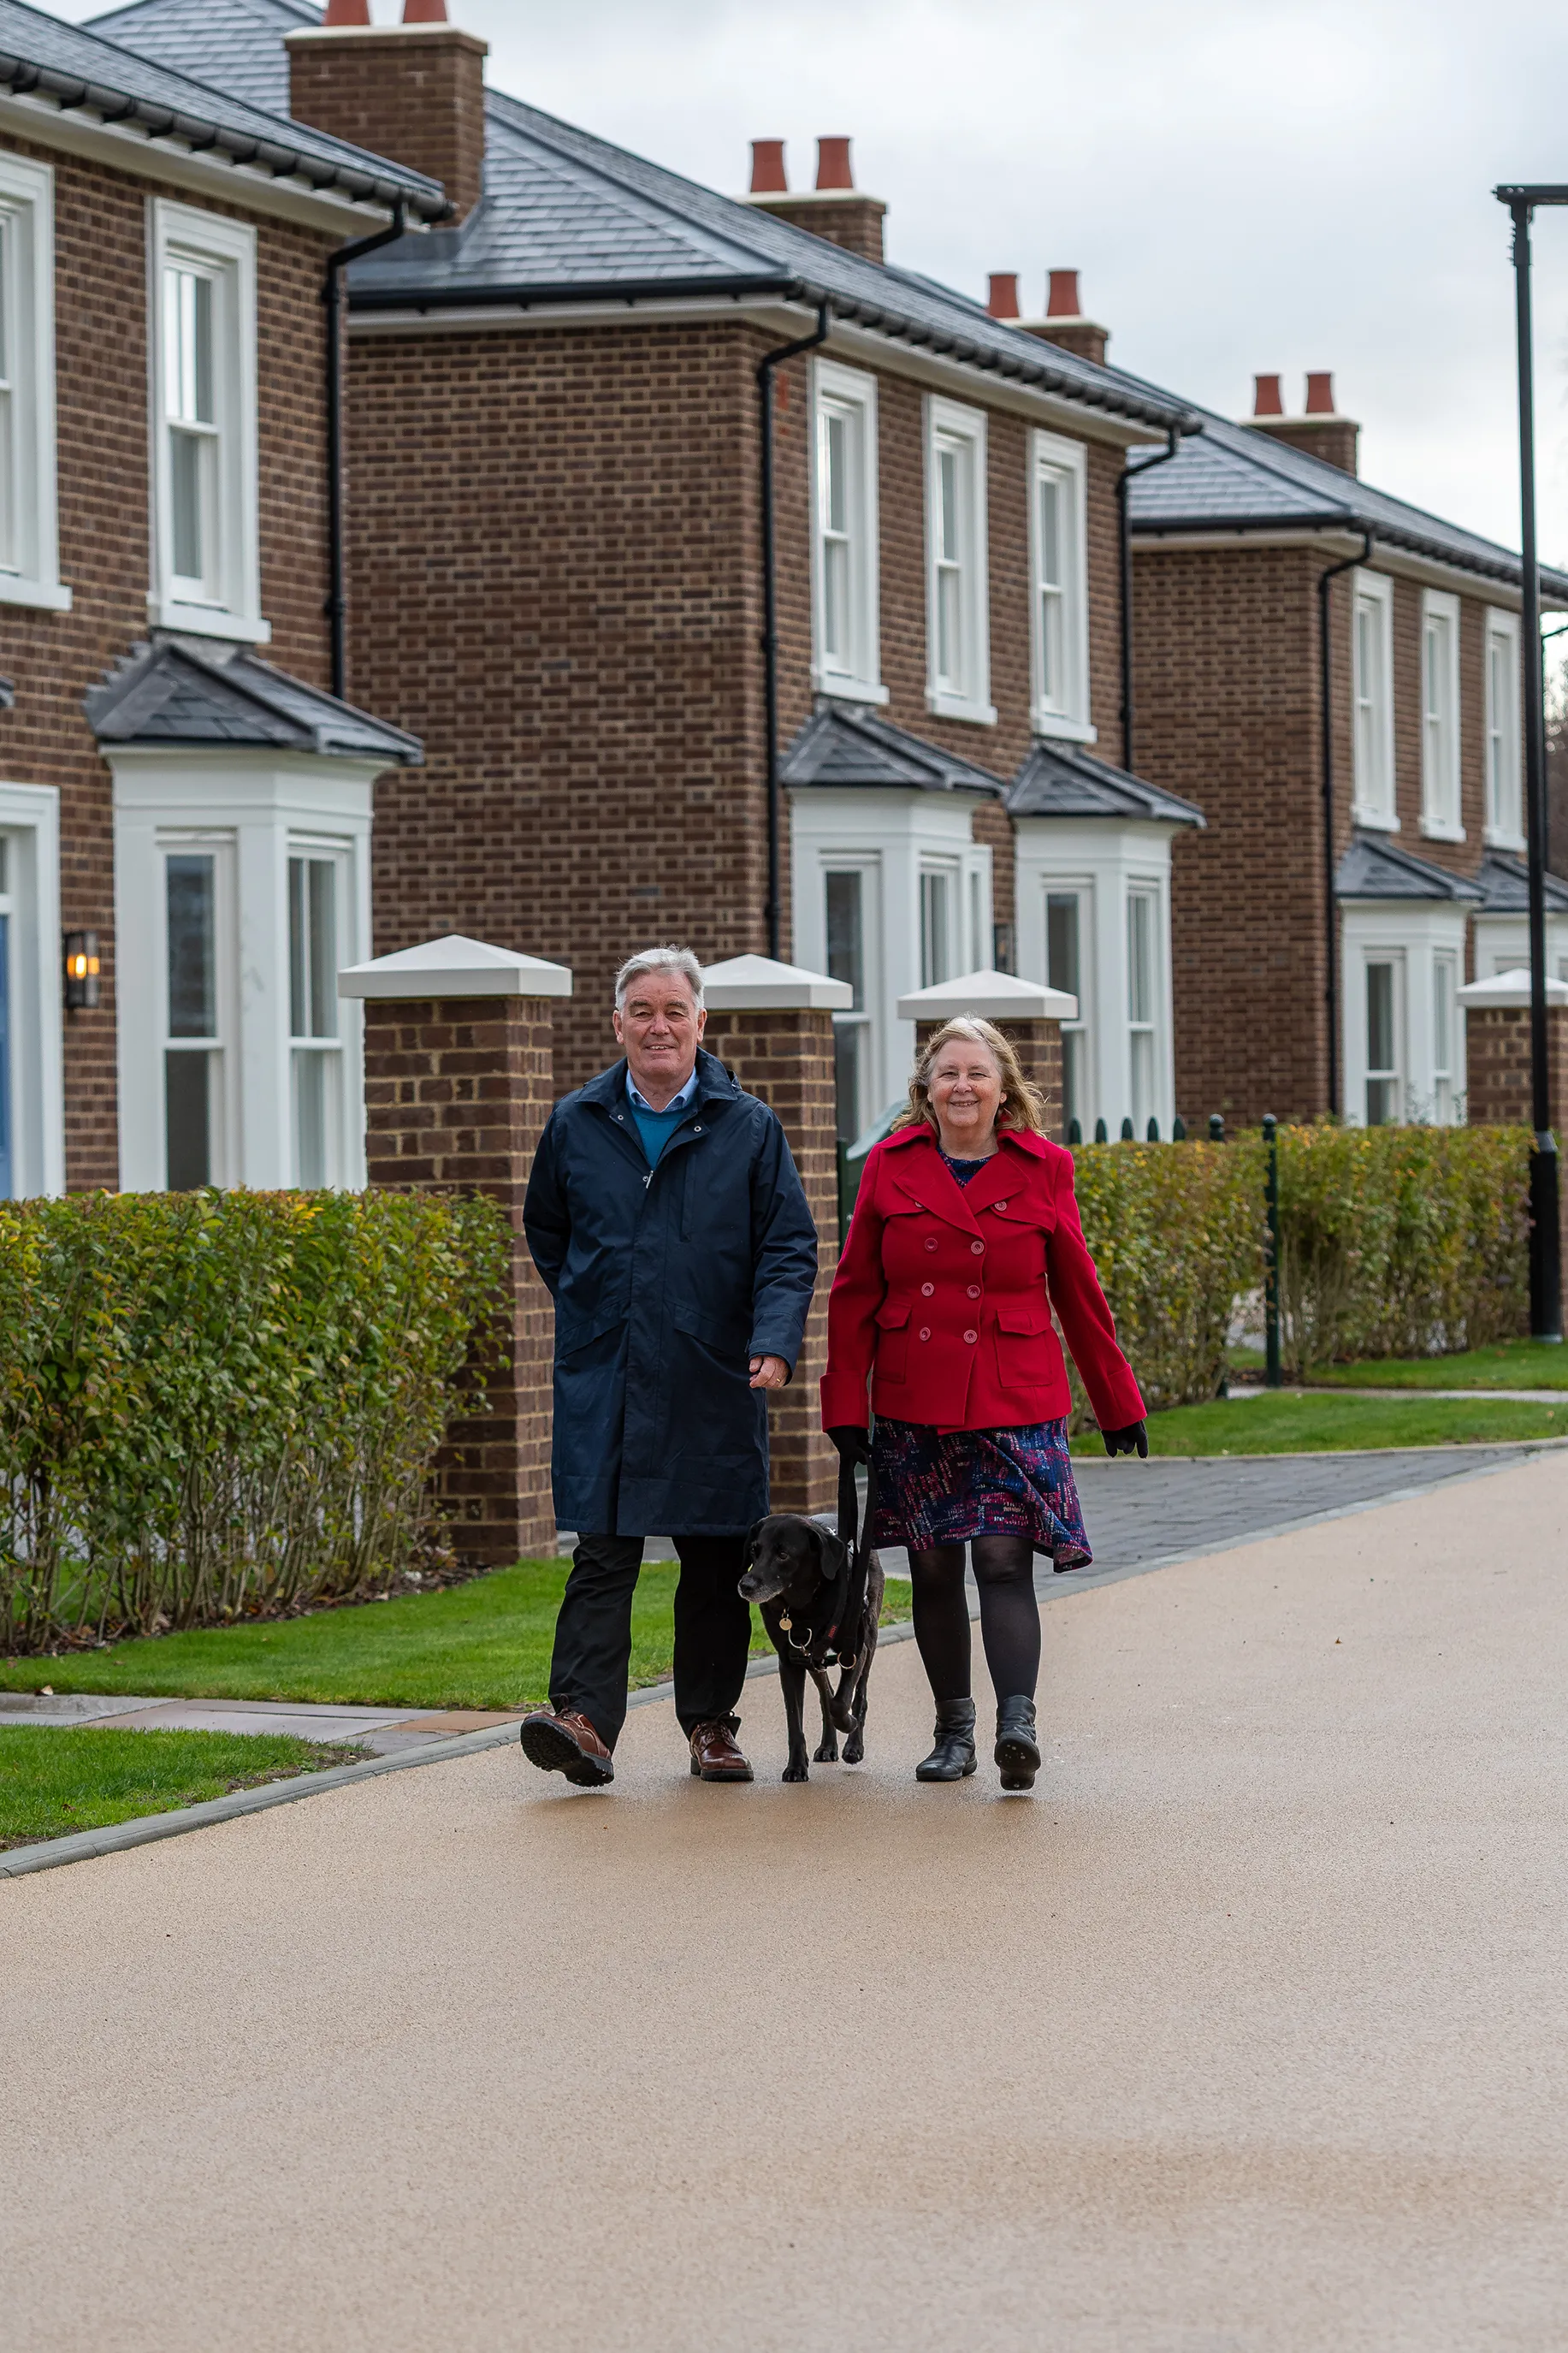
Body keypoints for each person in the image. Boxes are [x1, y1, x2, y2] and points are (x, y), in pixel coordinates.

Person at [820, 1016, 1146, 1793]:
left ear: (1004, 1090)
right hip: (916, 1397)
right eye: (946, 1073)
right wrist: (844, 1404)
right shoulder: (888, 1167)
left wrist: (1116, 1400)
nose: (960, 1086)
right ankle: (952, 1731)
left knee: (1003, 1560)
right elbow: (854, 1292)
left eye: (976, 1073)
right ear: (924, 1090)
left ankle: (1016, 1726)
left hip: (1013, 1393)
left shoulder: (1044, 1169)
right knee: (933, 1571)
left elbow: (1077, 1290)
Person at [519, 946, 818, 1788]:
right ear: (617, 1023)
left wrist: (773, 1335)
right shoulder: (576, 1122)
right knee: (603, 1551)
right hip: (607, 1375)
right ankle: (582, 1720)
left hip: (711, 1372)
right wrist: (591, 1303)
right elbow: (550, 1233)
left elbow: (788, 1246)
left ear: (700, 1022)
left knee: (721, 1556)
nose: (658, 1025)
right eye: (642, 1010)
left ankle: (712, 1727)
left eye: (673, 1010)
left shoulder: (750, 1127)